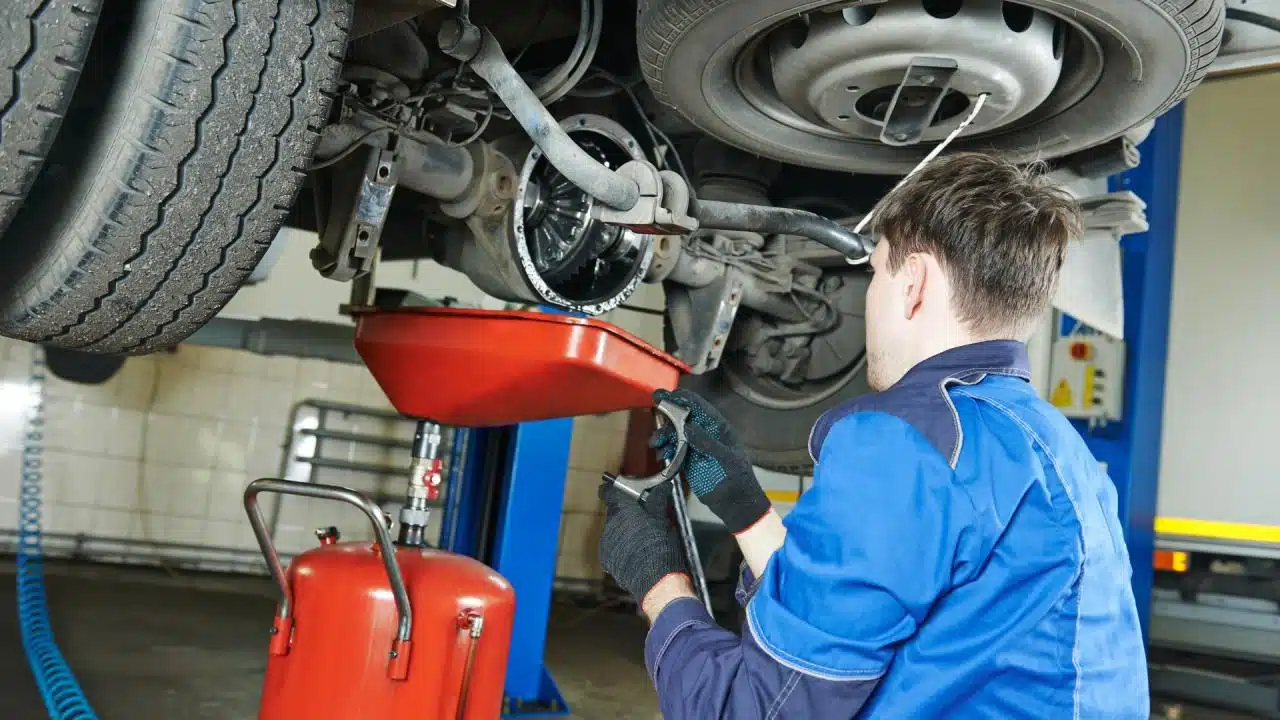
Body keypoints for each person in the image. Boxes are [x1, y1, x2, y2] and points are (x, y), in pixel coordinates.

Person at [596, 152, 1150, 718]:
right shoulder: (1060, 451)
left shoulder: (906, 443)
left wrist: (658, 582)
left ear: (914, 284)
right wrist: (746, 512)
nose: (871, 295)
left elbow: (759, 707)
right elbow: (866, 616)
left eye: (877, 272)